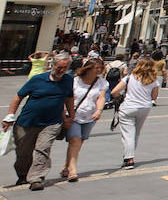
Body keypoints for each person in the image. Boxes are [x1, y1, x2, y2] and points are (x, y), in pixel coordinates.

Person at [3, 50, 75, 190]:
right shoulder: (37, 79)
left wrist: (70, 115)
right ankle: (23, 176)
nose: (62, 70)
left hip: (52, 123)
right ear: (52, 65)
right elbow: (18, 97)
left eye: (65, 68)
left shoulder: (68, 80)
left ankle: (36, 179)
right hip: (27, 123)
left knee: (43, 149)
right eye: (59, 67)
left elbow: (69, 97)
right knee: (23, 154)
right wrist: (10, 116)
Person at [60, 56, 106, 183]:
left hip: (90, 116)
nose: (99, 70)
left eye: (101, 68)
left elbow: (101, 97)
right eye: (96, 68)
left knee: (79, 143)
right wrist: (65, 112)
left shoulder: (102, 82)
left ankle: (66, 166)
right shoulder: (75, 81)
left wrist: (99, 110)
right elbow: (67, 97)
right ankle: (73, 171)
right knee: (75, 140)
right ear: (88, 68)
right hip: (73, 115)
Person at [111, 55, 159, 169]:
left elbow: (114, 92)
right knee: (136, 133)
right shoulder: (154, 81)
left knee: (128, 134)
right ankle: (129, 156)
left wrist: (121, 97)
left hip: (128, 107)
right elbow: (154, 97)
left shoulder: (129, 78)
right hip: (144, 108)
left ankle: (129, 159)